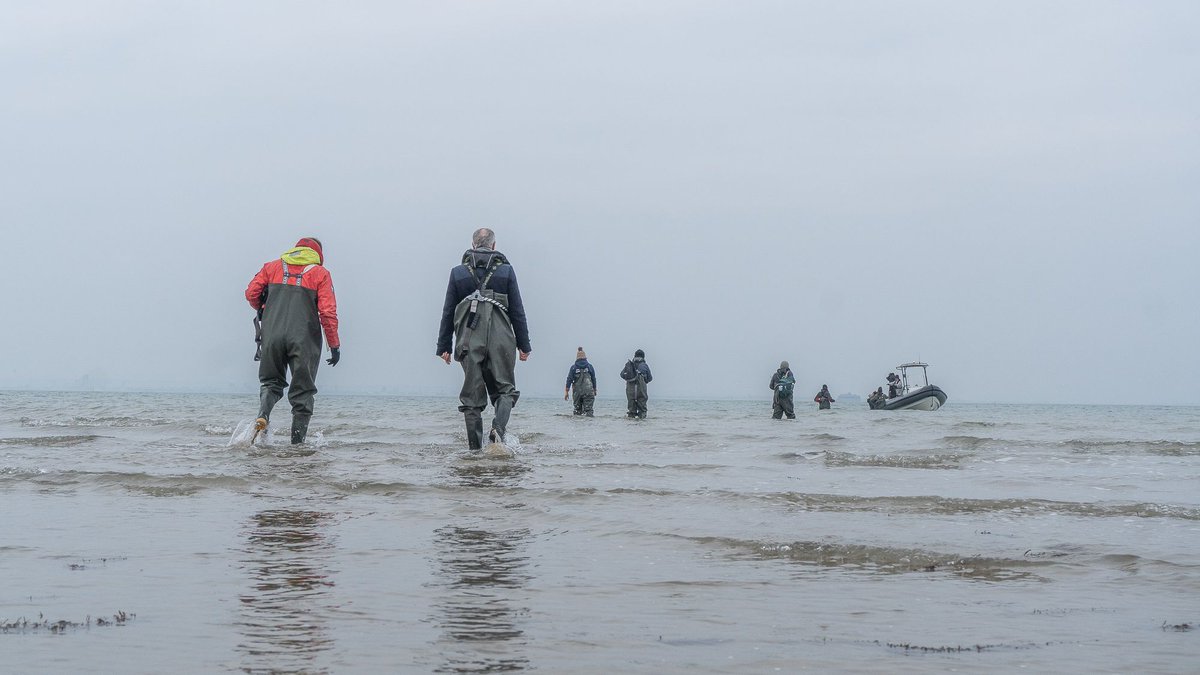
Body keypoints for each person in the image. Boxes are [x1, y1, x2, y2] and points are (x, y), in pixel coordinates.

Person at [437, 228, 532, 450]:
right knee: (505, 390)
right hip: (502, 340)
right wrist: (524, 345)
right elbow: (517, 310)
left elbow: (448, 311)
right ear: (493, 245)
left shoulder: (458, 272)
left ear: (472, 244)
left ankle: (474, 452)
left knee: (471, 397)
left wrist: (444, 346)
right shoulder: (506, 271)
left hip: (468, 339)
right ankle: (497, 430)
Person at [245, 237, 341, 444]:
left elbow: (251, 293)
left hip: (272, 335)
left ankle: (263, 414)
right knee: (303, 391)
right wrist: (334, 345)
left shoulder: (271, 267)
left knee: (271, 381)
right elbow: (327, 313)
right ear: (318, 255)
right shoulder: (320, 274)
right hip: (304, 339)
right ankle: (297, 445)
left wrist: (264, 307)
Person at [564, 347, 598, 416]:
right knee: (589, 410)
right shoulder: (589, 367)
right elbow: (593, 379)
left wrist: (566, 391)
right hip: (588, 390)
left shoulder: (573, 368)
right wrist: (594, 389)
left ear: (577, 358)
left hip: (577, 392)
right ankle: (590, 425)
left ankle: (577, 425)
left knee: (577, 410)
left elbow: (569, 379)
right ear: (585, 357)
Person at [620, 349, 653, 419]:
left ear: (634, 356)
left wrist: (629, 378)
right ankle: (641, 427)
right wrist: (644, 380)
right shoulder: (644, 365)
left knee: (631, 411)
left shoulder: (629, 365)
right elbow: (650, 378)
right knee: (642, 410)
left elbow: (622, 374)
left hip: (630, 389)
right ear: (643, 357)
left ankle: (631, 427)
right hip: (641, 390)